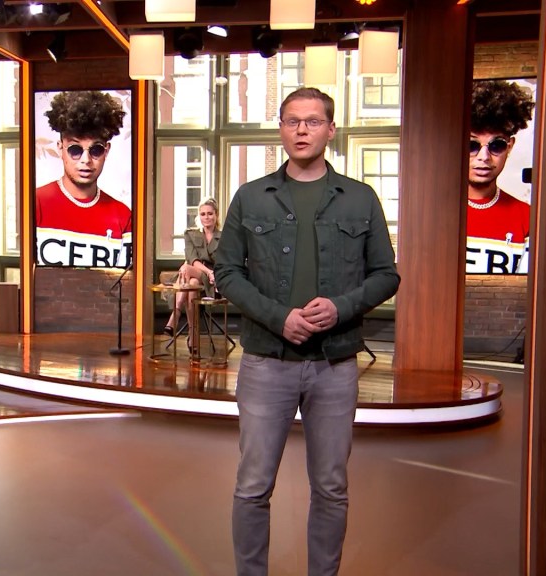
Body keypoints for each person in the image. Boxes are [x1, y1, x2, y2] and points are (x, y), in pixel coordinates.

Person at [214, 87, 400, 576]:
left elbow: (386, 274)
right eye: (292, 121)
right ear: (281, 128)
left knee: (331, 488)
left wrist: (340, 308)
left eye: (313, 121)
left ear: (330, 130)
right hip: (265, 362)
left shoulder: (360, 198)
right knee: (252, 487)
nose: (302, 130)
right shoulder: (250, 196)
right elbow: (227, 272)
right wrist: (279, 317)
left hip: (334, 365)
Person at [35, 90, 132, 268]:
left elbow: (128, 281)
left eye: (96, 150)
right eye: (75, 150)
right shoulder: (35, 204)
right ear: (60, 149)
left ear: (106, 151)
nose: (86, 160)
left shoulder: (123, 216)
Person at [466, 80, 534, 244]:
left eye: (497, 145)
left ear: (509, 146)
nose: (484, 156)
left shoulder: (527, 219)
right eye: (472, 145)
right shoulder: (432, 213)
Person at [164, 198, 220, 351]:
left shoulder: (224, 236)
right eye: (203, 214)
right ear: (199, 216)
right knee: (193, 283)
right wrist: (208, 272)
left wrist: (211, 273)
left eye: (210, 213)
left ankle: (175, 315)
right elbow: (192, 258)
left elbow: (222, 262)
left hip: (212, 282)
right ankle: (193, 335)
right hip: (199, 277)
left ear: (216, 215)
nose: (206, 217)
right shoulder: (190, 235)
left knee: (185, 269)